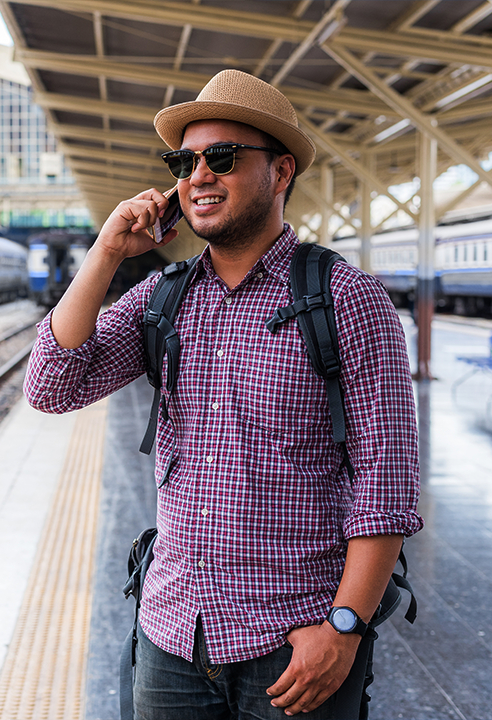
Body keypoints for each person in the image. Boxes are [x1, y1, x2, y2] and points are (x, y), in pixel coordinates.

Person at [24, 69, 423, 719]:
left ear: (282, 171)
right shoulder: (162, 297)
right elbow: (50, 386)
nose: (198, 175)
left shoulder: (348, 300)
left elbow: (387, 483)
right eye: (184, 161)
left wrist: (343, 629)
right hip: (173, 632)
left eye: (223, 157)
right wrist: (105, 252)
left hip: (294, 641)